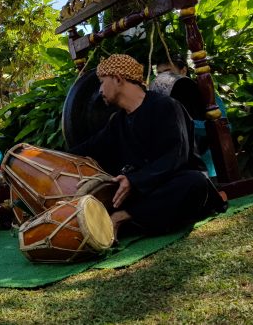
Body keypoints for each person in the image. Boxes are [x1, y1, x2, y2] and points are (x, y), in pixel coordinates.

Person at [68, 54, 225, 237]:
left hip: (173, 185)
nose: (100, 89)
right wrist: (38, 154)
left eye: (102, 82)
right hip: (145, 195)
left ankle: (122, 218)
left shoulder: (166, 106)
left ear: (117, 79)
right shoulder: (117, 122)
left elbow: (176, 157)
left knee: (194, 182)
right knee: (112, 193)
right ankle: (137, 219)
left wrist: (135, 181)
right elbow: (89, 148)